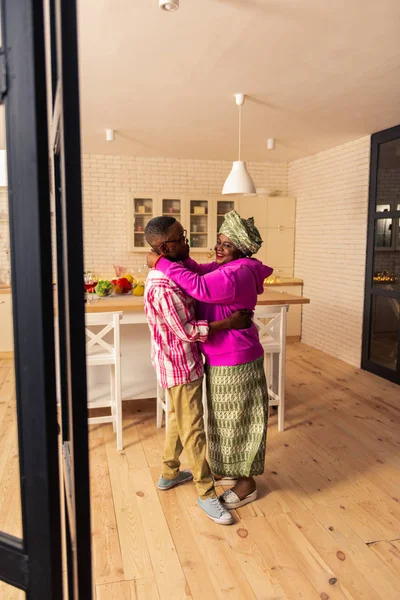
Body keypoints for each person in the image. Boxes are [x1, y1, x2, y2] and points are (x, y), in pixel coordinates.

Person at [147, 210, 273, 510]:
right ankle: (230, 468)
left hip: (236, 357)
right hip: (219, 356)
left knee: (241, 422)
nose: (218, 248)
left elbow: (200, 286)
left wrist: (164, 261)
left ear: (240, 250)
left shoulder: (238, 272)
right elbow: (198, 270)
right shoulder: (226, 267)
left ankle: (247, 482)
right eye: (219, 241)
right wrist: (173, 259)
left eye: (226, 245)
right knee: (224, 422)